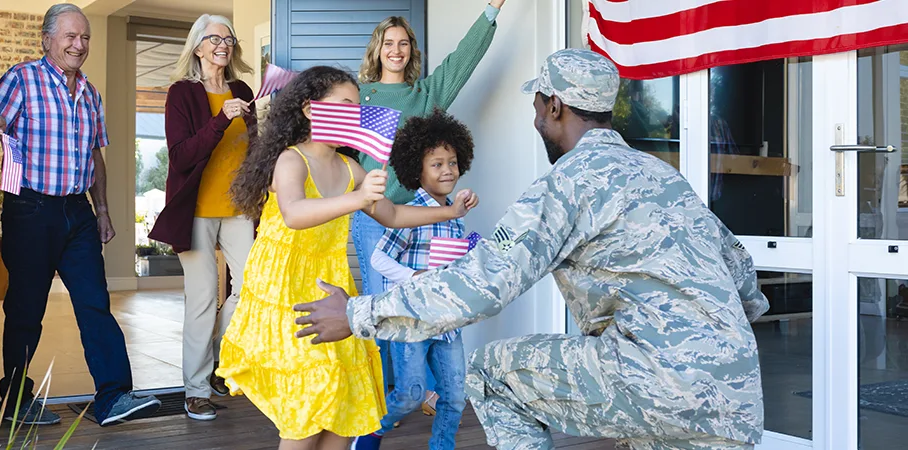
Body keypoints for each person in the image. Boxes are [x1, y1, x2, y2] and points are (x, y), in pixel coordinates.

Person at [293, 49, 770, 450]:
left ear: (555, 106)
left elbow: (482, 283)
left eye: (539, 105)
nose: (537, 117)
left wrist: (357, 314)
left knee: (487, 372)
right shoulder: (665, 176)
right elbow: (746, 283)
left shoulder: (569, 182)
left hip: (660, 384)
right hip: (738, 396)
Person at [215, 65, 478, 450]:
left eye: (357, 106)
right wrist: (358, 198)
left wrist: (449, 212)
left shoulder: (350, 167)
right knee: (305, 415)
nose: (355, 113)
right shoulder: (291, 161)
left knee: (341, 408)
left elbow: (392, 215)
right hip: (285, 295)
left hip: (332, 292)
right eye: (345, 103)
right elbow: (295, 213)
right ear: (310, 109)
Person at [0, 3, 161, 426]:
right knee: (26, 309)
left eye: (85, 37)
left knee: (95, 303)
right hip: (30, 208)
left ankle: (113, 397)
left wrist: (104, 211)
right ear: (47, 39)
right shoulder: (23, 78)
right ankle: (16, 400)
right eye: (70, 37)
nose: (79, 45)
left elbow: (96, 155)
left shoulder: (90, 93)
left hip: (77, 212)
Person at [353, 0, 507, 413]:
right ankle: (382, 397)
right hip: (372, 215)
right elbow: (338, 151)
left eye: (404, 43)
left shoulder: (425, 94)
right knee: (378, 304)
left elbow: (462, 60)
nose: (397, 50)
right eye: (389, 43)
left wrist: (492, 9)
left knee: (427, 298)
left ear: (411, 51)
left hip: (420, 218)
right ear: (377, 49)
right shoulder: (360, 95)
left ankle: (422, 390)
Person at [147, 14, 257, 421]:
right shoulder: (182, 93)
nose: (223, 44)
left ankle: (214, 361)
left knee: (252, 289)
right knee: (202, 300)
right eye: (214, 38)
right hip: (194, 209)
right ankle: (195, 389)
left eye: (229, 38)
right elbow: (181, 156)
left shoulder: (243, 90)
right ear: (197, 46)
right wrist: (221, 119)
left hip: (239, 208)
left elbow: (254, 150)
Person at [353, 110, 476, 450]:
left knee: (453, 398)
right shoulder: (412, 213)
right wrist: (414, 275)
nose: (447, 170)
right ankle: (371, 432)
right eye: (436, 164)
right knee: (411, 393)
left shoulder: (455, 215)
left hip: (447, 321)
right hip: (411, 320)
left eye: (452, 162)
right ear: (416, 170)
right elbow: (379, 259)